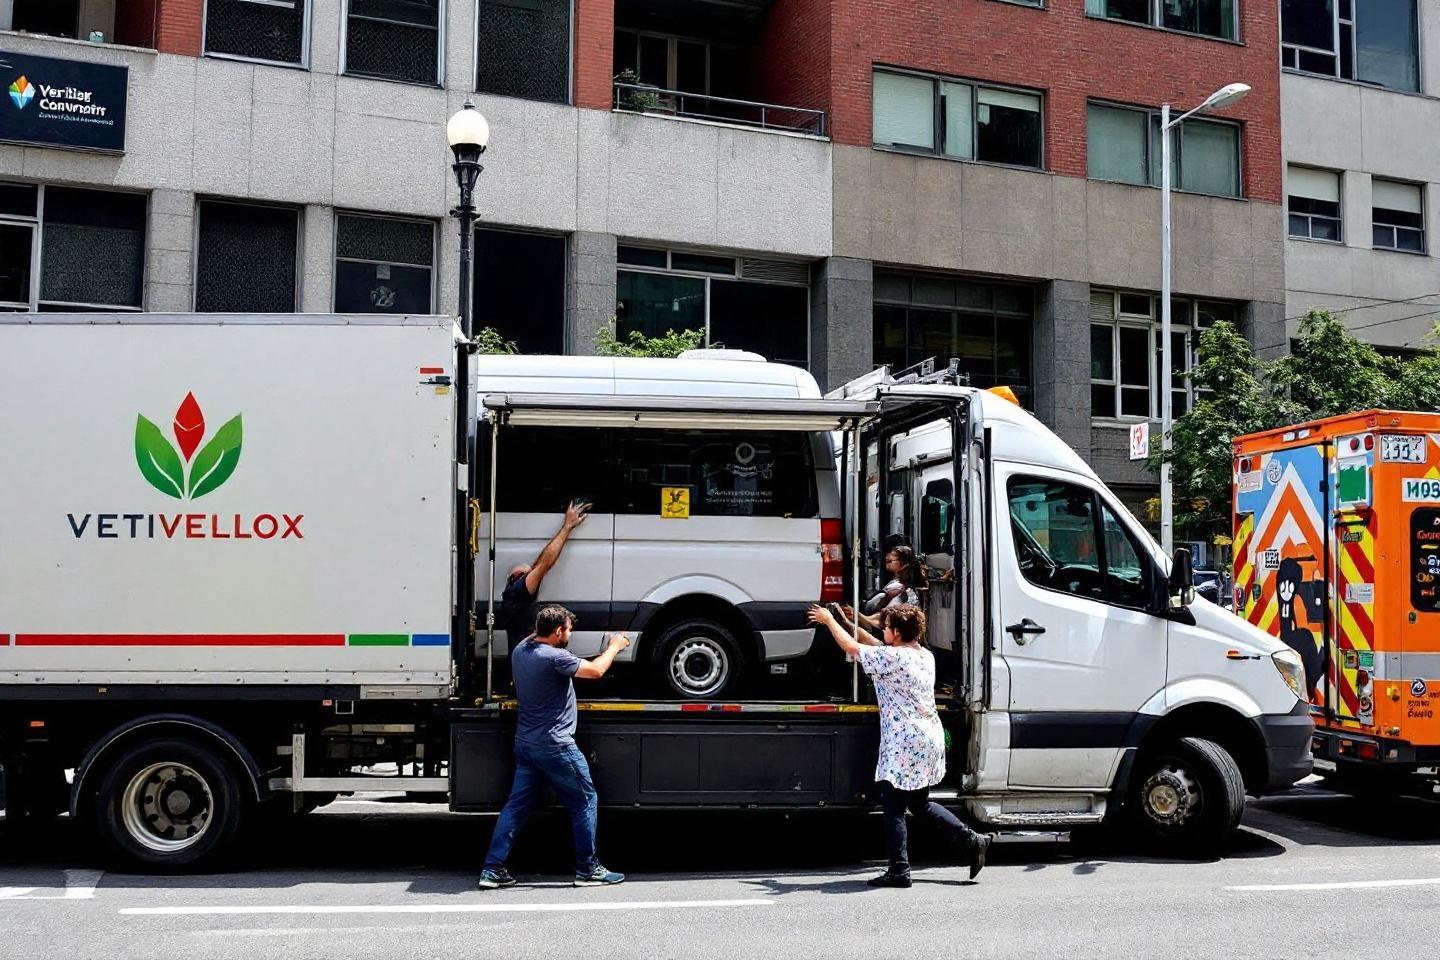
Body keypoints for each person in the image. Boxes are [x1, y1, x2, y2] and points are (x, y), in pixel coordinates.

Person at [808, 602, 990, 888]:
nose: (883, 630)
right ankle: (972, 840)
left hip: (904, 742)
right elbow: (875, 645)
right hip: (926, 737)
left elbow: (853, 649)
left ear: (896, 632)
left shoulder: (895, 660)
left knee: (893, 806)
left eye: (886, 627)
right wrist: (845, 621)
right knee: (919, 803)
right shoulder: (922, 655)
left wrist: (830, 621)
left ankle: (899, 870)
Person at [480, 605, 631, 889]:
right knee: (585, 801)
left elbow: (541, 633)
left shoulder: (522, 650)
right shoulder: (556, 658)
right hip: (556, 746)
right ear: (558, 631)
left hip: (526, 744)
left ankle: (492, 868)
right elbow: (597, 671)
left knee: (515, 807)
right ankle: (588, 869)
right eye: (569, 631)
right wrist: (614, 646)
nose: (570, 636)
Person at [501, 500, 591, 650]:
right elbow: (544, 565)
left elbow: (539, 565)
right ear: (518, 578)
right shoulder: (518, 592)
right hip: (530, 664)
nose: (531, 569)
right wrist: (566, 527)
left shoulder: (513, 594)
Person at [845, 545, 923, 633]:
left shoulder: (900, 590)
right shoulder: (895, 585)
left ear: (904, 565)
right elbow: (878, 616)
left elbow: (881, 624)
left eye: (890, 561)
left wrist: (856, 616)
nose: (887, 557)